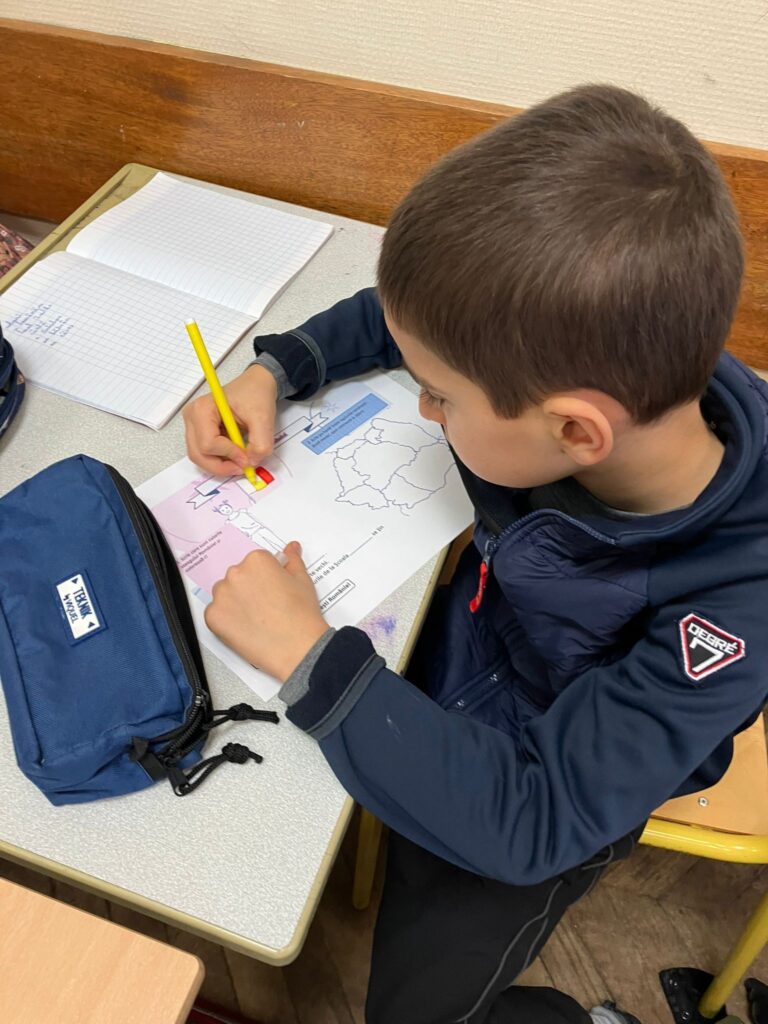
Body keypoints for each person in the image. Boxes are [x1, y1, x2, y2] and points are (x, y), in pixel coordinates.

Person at [183, 84, 768, 1024]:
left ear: (574, 432)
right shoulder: (615, 360)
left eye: (440, 399)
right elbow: (415, 319)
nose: (424, 409)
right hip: (480, 639)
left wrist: (307, 657)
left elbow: (538, 820)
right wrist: (274, 370)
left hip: (551, 783)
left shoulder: (735, 604)